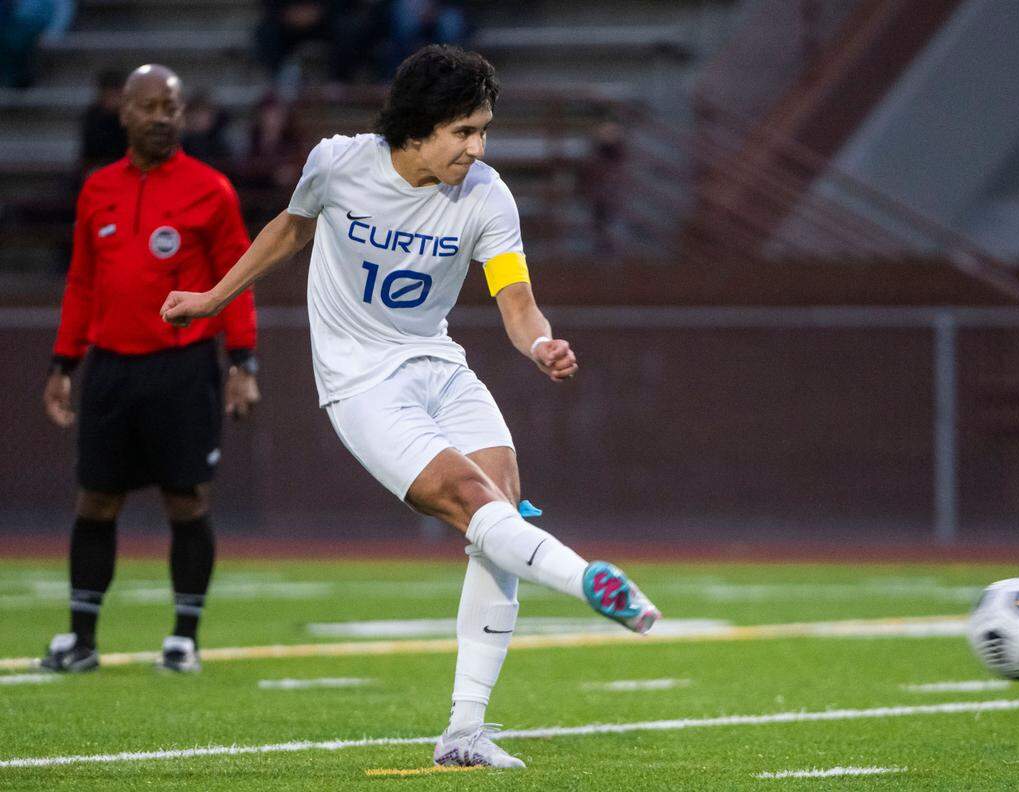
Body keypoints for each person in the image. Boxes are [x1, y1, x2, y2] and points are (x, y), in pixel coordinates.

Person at [160, 45, 659, 768]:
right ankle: (590, 581)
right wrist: (211, 298)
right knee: (469, 499)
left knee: (505, 512)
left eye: (484, 129)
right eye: (464, 131)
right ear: (419, 128)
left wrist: (540, 344)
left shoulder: (487, 194)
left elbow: (516, 299)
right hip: (360, 381)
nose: (477, 147)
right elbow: (289, 231)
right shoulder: (337, 163)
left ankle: (463, 734)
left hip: (439, 367)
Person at [42, 64, 260, 675]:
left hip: (184, 368)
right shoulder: (96, 190)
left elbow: (236, 281)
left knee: (186, 501)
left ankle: (183, 638)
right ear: (125, 114)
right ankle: (81, 640)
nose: (162, 117)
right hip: (110, 369)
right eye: (150, 106)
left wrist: (243, 361)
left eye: (172, 106)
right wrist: (63, 363)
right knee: (96, 502)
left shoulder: (211, 189)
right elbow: (82, 283)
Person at [78, 69, 129, 178]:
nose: (113, 99)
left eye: (116, 94)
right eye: (109, 95)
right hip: (100, 165)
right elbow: (90, 149)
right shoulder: (94, 116)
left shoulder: (131, 116)